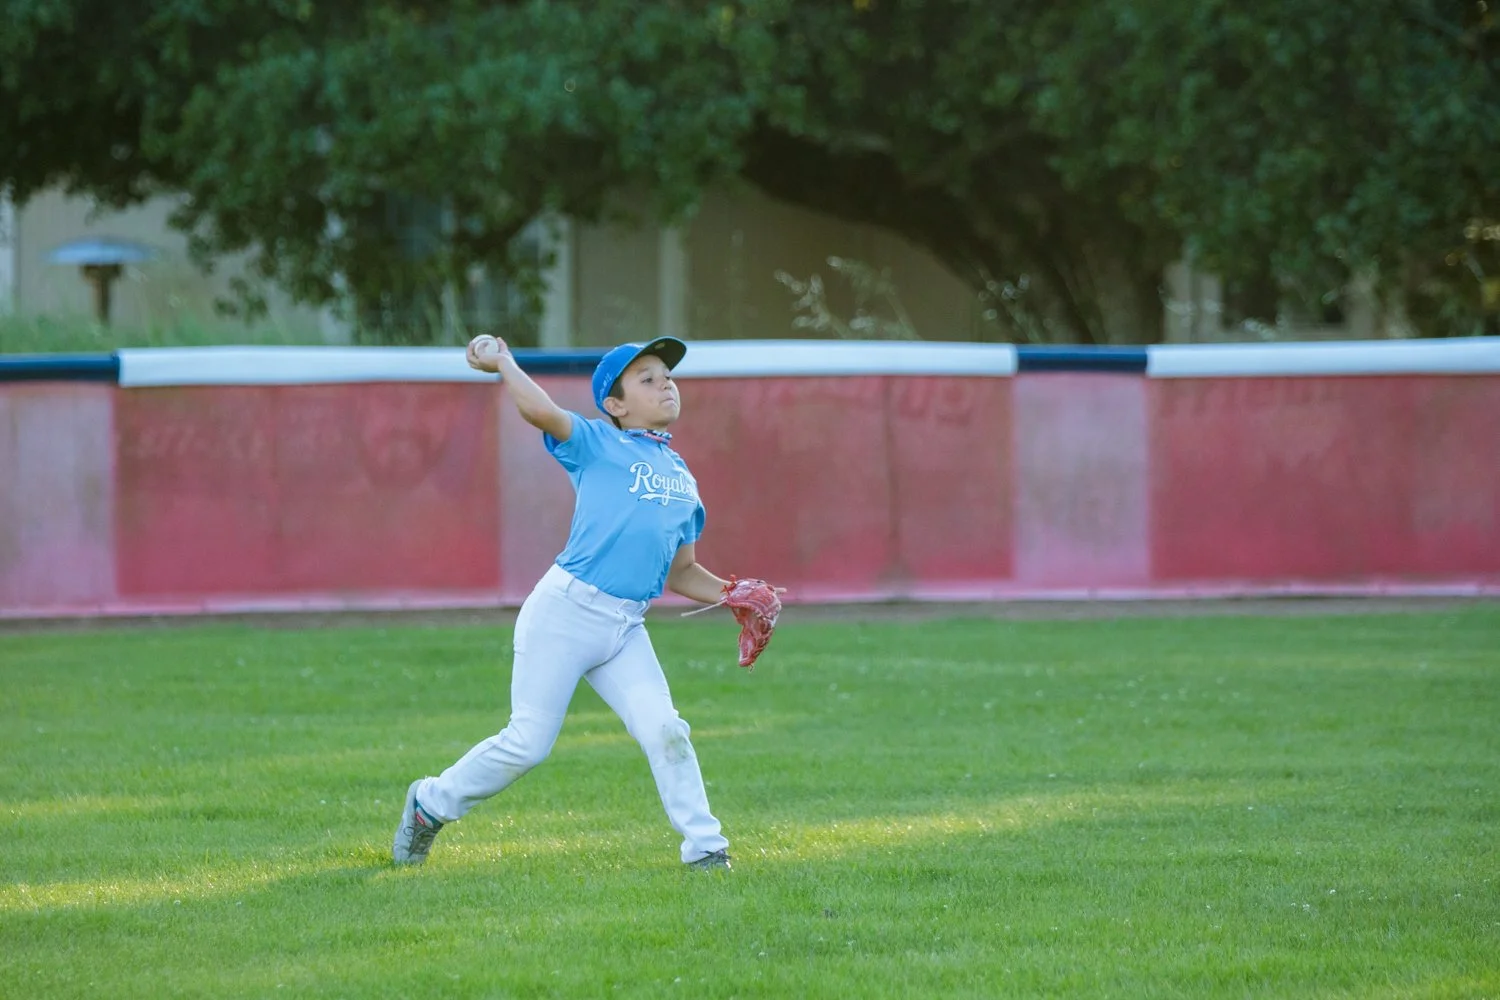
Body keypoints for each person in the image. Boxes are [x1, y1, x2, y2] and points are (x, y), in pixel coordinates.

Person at [393, 333, 757, 871]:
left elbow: (680, 572)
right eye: (648, 379)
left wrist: (732, 595)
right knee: (527, 744)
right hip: (565, 612)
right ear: (615, 405)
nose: (666, 385)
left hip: (626, 627)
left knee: (666, 730)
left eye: (668, 376)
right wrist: (504, 363)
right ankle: (429, 804)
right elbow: (540, 411)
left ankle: (705, 849)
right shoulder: (595, 442)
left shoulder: (683, 480)